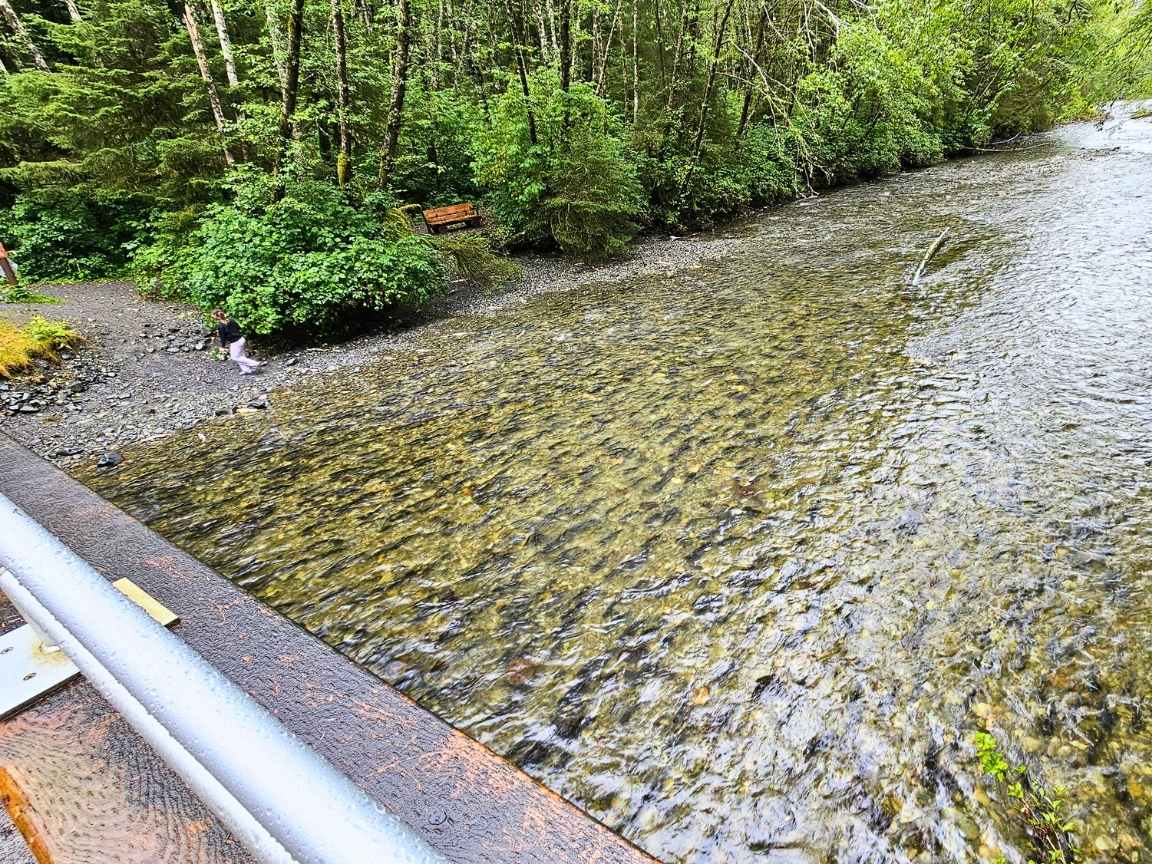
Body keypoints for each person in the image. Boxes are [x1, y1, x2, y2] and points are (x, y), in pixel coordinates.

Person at [211, 309, 263, 375]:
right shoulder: (231, 320)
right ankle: (247, 370)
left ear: (216, 316)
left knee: (235, 357)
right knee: (241, 356)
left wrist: (222, 346)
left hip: (235, 342)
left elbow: (223, 338)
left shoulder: (220, 326)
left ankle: (254, 364)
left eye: (213, 316)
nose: (212, 317)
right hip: (241, 339)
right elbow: (238, 328)